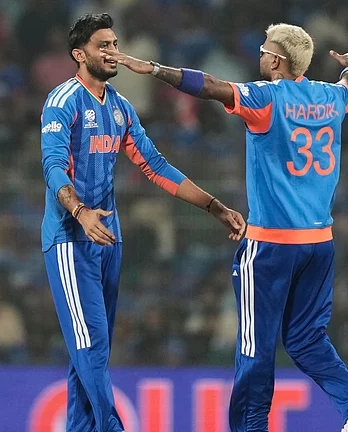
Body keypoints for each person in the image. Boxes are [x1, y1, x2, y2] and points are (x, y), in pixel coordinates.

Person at [103, 23, 348, 432]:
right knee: (307, 339)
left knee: (256, 347)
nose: (260, 54)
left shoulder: (267, 98)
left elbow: (211, 87)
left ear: (277, 60)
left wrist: (155, 69)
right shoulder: (331, 97)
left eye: (264, 49)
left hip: (270, 245)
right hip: (320, 243)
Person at [41, 13, 246, 432]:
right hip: (69, 238)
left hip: (107, 240)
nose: (112, 51)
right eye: (102, 45)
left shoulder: (119, 107)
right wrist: (79, 212)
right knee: (90, 346)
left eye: (114, 43)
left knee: (91, 352)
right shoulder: (63, 101)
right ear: (80, 55)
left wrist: (213, 206)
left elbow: (154, 166)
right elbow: (53, 166)